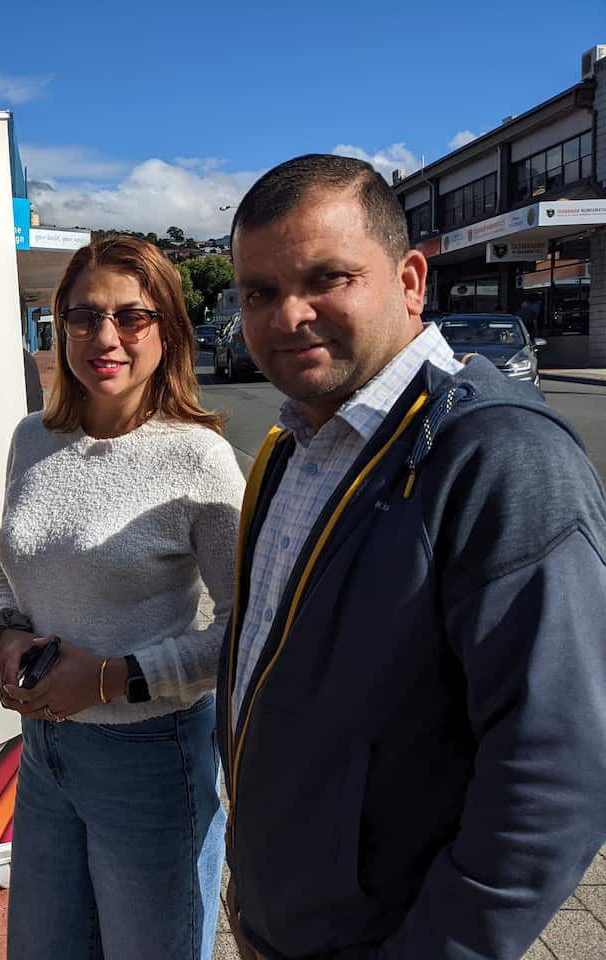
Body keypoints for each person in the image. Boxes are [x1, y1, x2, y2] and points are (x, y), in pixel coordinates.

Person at [219, 154, 606, 960]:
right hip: (284, 919)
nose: (288, 316)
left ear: (409, 280)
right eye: (260, 291)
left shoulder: (501, 458)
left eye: (327, 278)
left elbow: (556, 774)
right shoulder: (296, 446)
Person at [0, 235, 244, 959]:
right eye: (85, 315)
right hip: (43, 750)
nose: (106, 337)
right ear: (59, 325)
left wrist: (110, 677)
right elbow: (14, 565)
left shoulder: (198, 458)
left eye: (133, 317)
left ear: (169, 330)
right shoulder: (31, 438)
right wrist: (2, 634)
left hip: (151, 755)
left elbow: (249, 632)